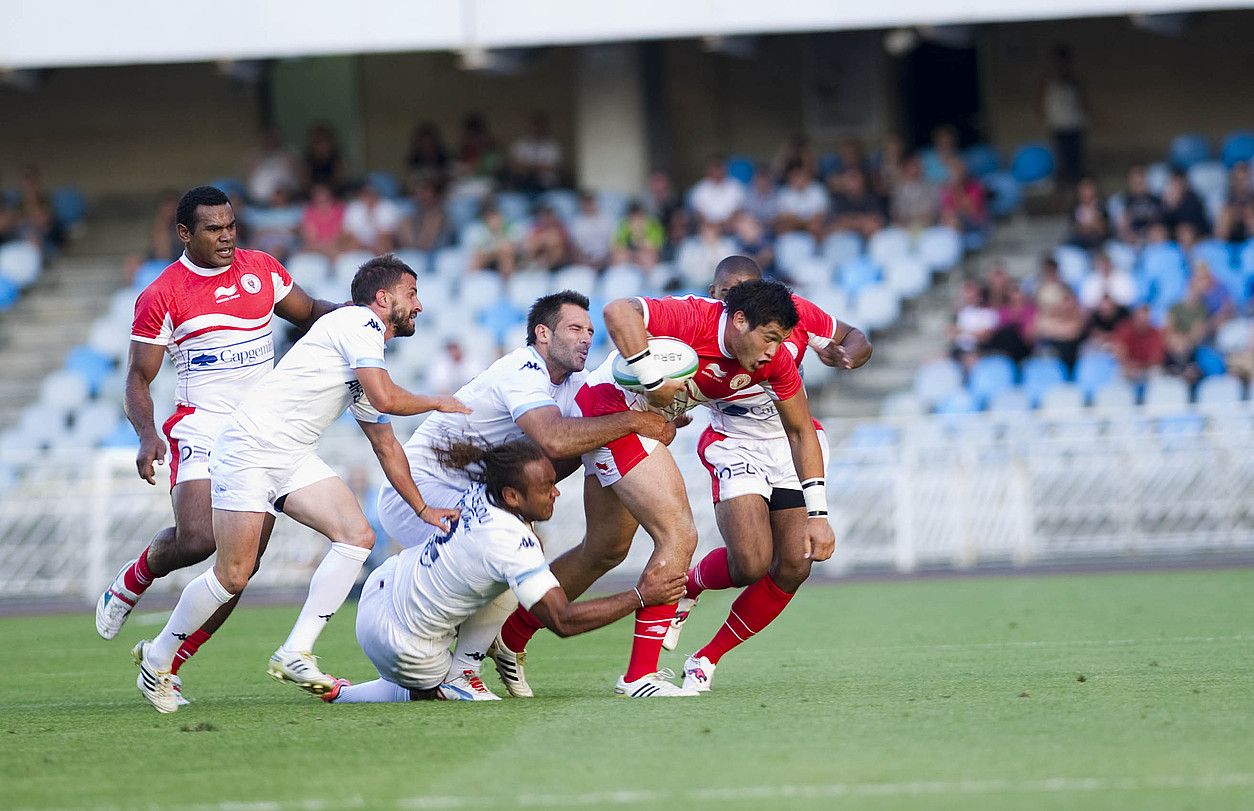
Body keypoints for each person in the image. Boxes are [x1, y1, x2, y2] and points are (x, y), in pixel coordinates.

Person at [133, 255, 469, 713]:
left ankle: (295, 652)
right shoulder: (358, 324)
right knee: (233, 574)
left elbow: (386, 445)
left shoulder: (364, 354)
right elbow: (387, 398)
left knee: (356, 536)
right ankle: (157, 659)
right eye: (412, 294)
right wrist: (439, 402)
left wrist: (423, 510)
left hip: (288, 455)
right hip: (250, 448)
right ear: (383, 298)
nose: (420, 305)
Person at [493, 278, 836, 698]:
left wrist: (817, 515)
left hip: (632, 424)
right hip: (612, 411)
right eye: (767, 339)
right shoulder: (696, 316)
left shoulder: (773, 360)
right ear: (739, 320)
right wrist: (655, 382)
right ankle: (640, 676)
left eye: (779, 342)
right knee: (678, 535)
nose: (772, 352)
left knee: (604, 550)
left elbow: (801, 432)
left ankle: (509, 637)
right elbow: (618, 310)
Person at [94, 186, 341, 699]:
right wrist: (146, 435)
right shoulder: (163, 293)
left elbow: (311, 309)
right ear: (185, 233)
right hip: (203, 428)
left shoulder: (262, 269)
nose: (226, 236)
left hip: (266, 431)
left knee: (239, 568)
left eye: (230, 226)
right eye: (213, 228)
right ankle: (132, 581)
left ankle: (165, 664)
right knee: (198, 540)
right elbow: (138, 378)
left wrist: (364, 316)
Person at [375, 291, 675, 697]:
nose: (587, 338)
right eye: (575, 328)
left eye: (590, 330)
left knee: (510, 560)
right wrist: (636, 421)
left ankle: (455, 669)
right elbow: (553, 439)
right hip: (420, 492)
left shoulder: (575, 385)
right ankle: (457, 670)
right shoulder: (523, 369)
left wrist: (662, 414)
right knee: (504, 561)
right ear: (543, 334)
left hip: (471, 492)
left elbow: (560, 459)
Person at [325, 438, 687, 704]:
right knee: (427, 693)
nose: (555, 493)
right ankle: (442, 681)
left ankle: (449, 673)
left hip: (381, 593)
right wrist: (642, 596)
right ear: (513, 496)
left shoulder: (487, 490)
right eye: (546, 487)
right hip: (400, 642)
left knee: (517, 580)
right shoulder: (510, 541)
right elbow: (563, 621)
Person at [667, 257, 870, 692]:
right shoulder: (698, 326)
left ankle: (707, 658)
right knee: (751, 563)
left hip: (790, 446)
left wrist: (847, 357)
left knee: (795, 563)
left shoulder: (792, 316)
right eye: (726, 294)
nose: (734, 302)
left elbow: (855, 338)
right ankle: (690, 585)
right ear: (716, 294)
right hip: (735, 444)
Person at [1038, 44, 1089, 187]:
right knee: (1061, 166)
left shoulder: (1075, 81)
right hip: (1058, 129)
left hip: (1075, 127)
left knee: (1076, 166)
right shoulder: (1047, 81)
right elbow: (1040, 106)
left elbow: (1083, 103)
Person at [689, 155, 746, 229]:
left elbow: (739, 209)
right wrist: (711, 225)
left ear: (725, 168)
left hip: (731, 225)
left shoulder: (736, 186)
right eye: (714, 168)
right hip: (707, 227)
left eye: (719, 167)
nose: (717, 171)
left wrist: (726, 223)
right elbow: (697, 213)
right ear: (708, 170)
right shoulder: (699, 189)